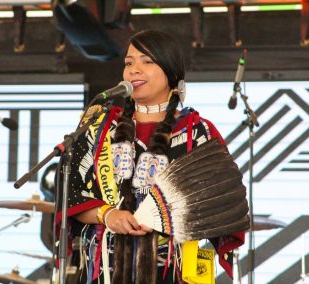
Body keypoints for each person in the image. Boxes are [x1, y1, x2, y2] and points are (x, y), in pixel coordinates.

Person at [56, 29, 245, 283]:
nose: (134, 70)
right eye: (129, 62)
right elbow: (72, 194)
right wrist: (108, 215)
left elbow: (223, 203)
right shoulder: (99, 130)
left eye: (147, 62)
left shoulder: (197, 132)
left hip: (176, 271)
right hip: (107, 271)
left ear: (172, 74)